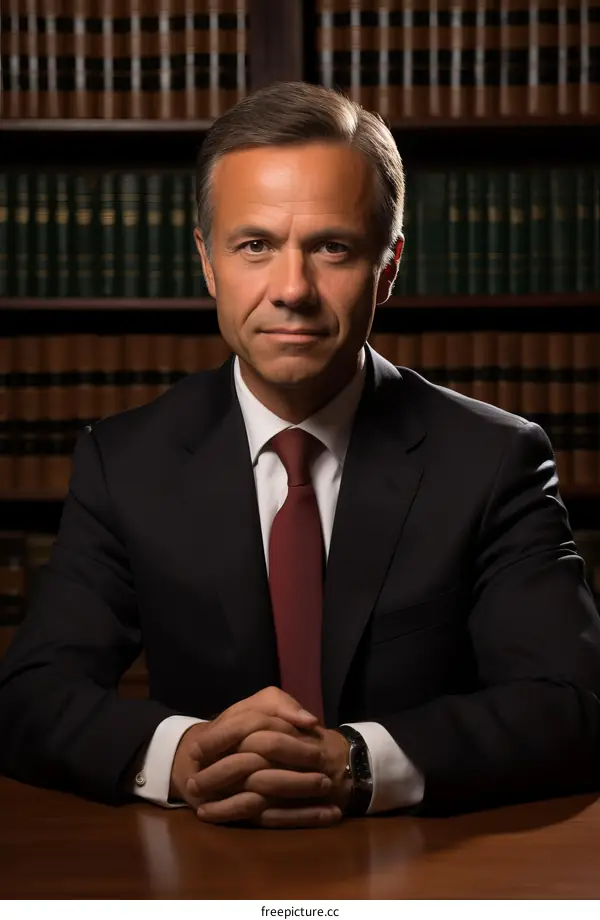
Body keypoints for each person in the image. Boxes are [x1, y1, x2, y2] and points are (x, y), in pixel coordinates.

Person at [1, 81, 599, 830]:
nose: (292, 290)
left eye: (332, 248)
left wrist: (356, 762)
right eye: (255, 245)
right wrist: (183, 756)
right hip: (203, 866)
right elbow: (30, 695)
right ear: (208, 263)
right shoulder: (127, 461)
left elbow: (572, 705)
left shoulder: (494, 460)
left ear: (388, 268)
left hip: (423, 869)